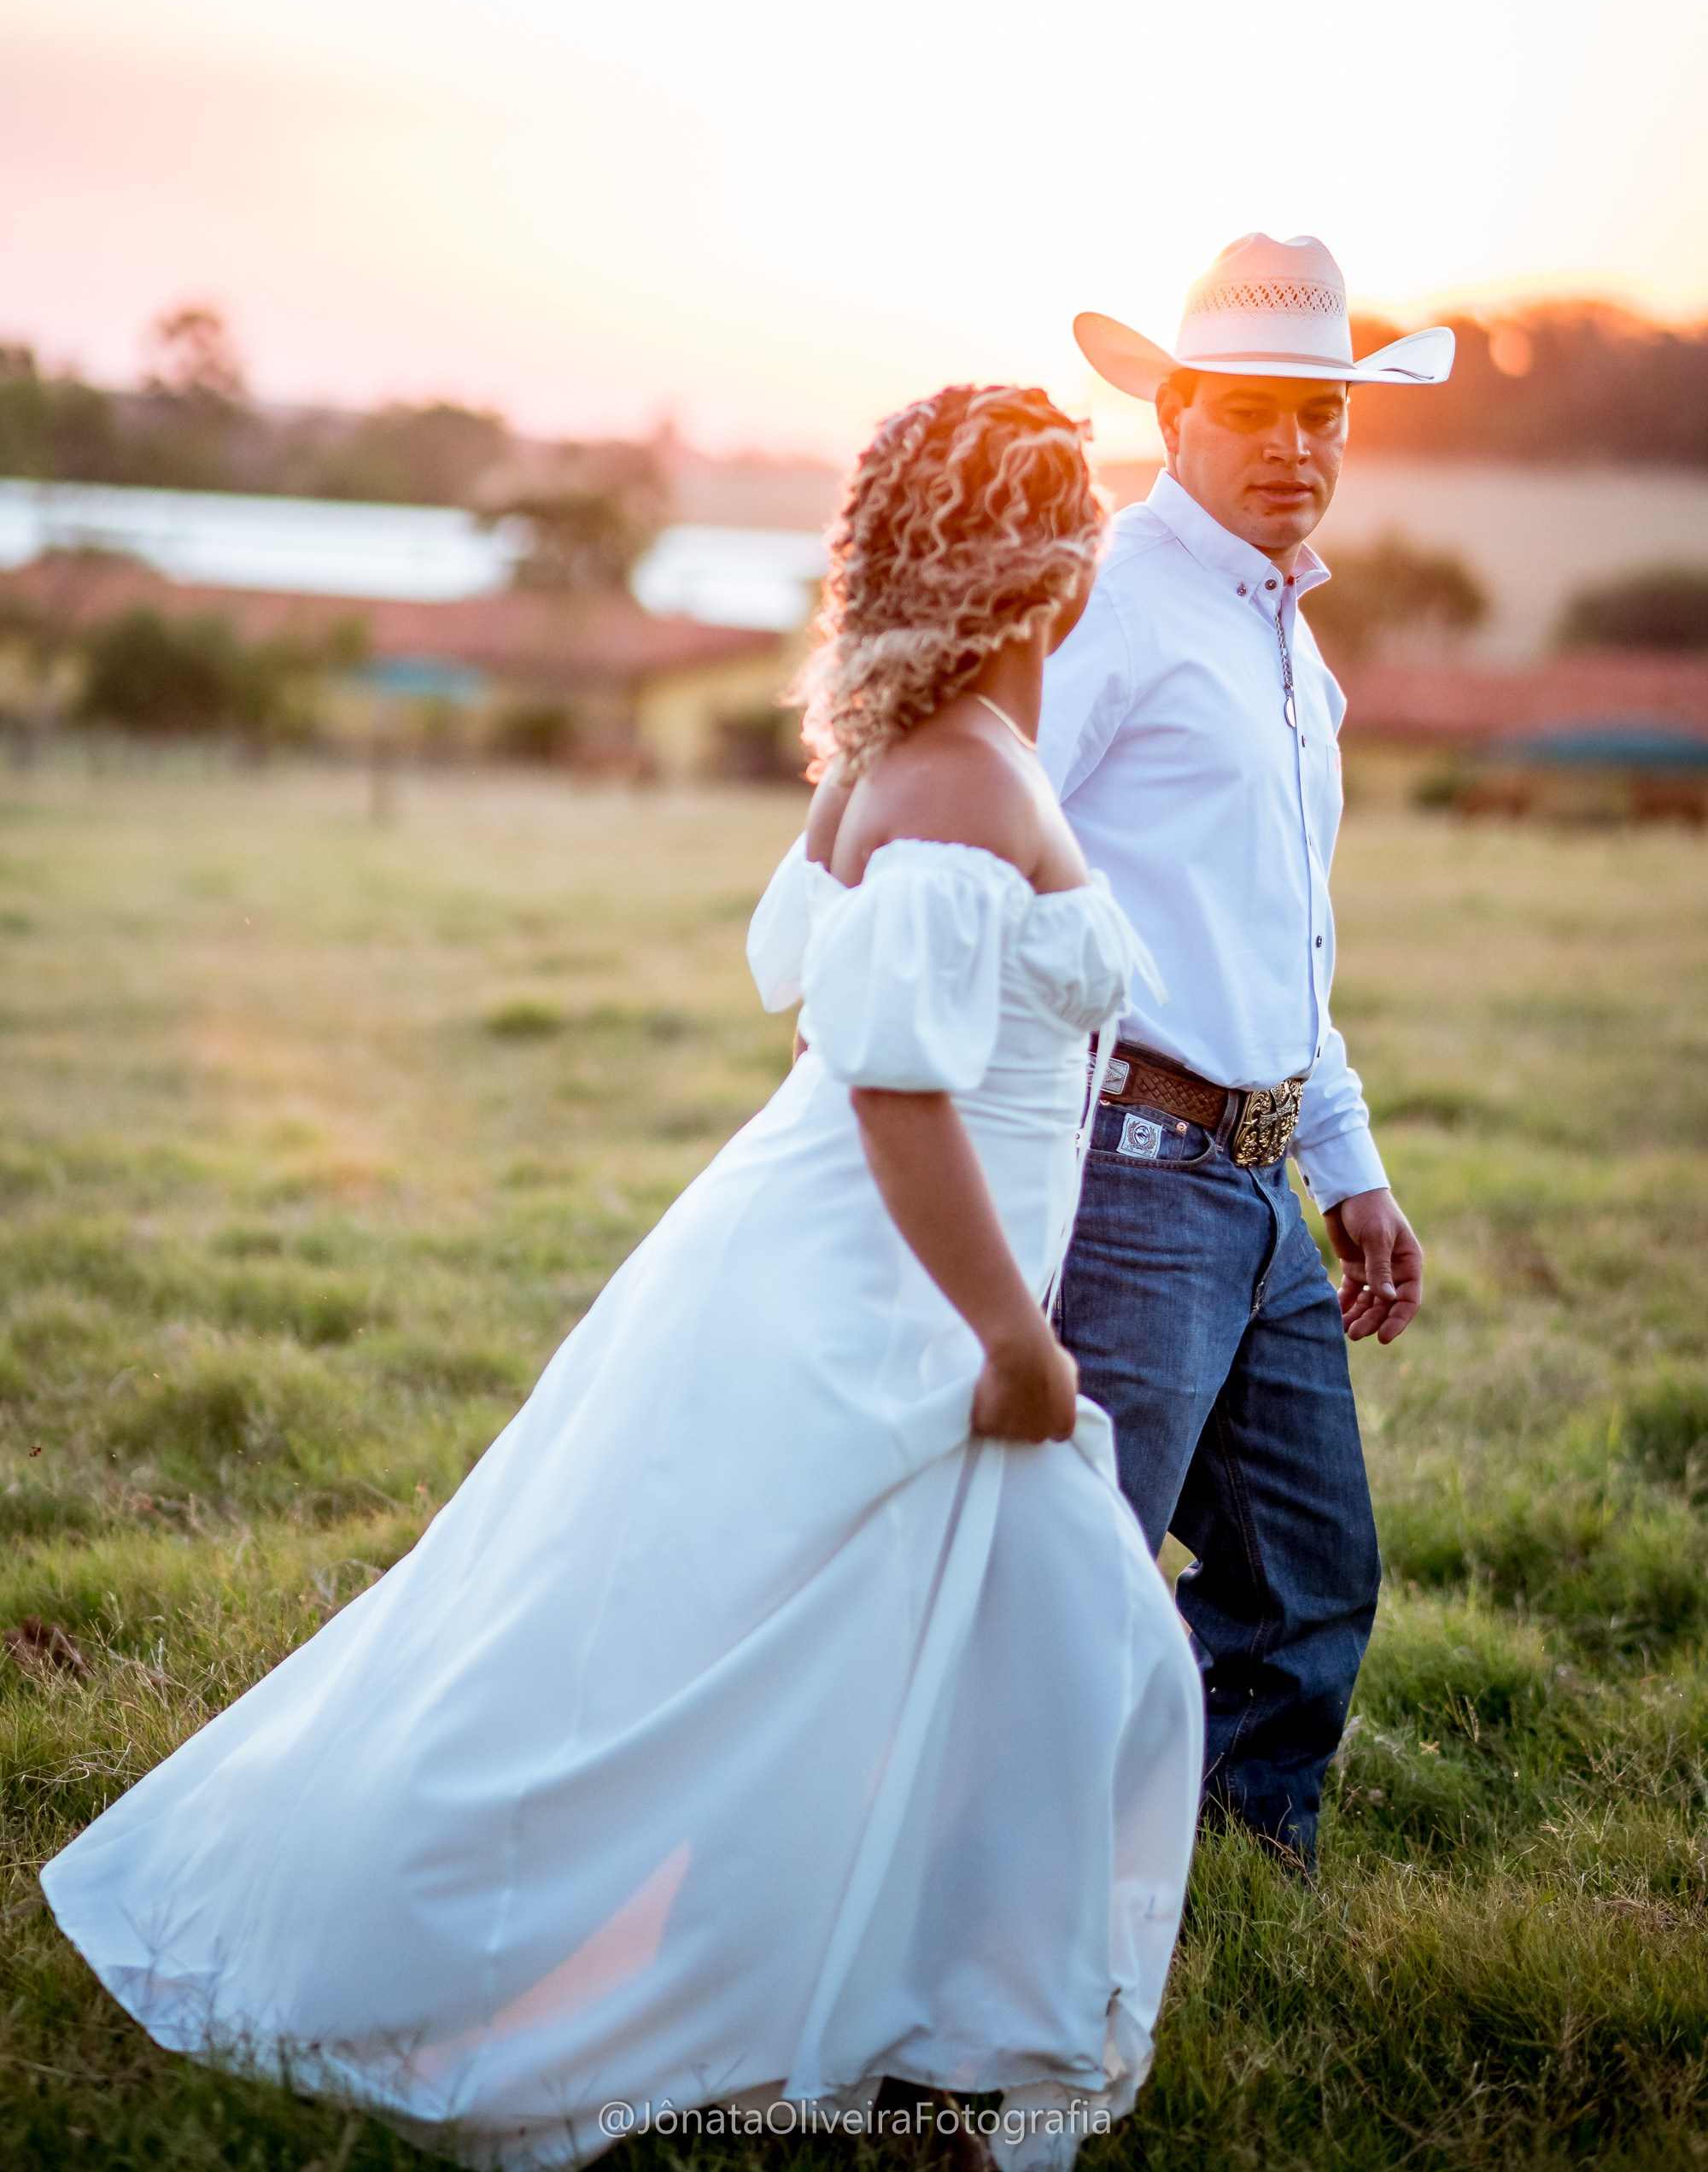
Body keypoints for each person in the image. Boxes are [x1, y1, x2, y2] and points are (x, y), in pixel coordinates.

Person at [44, 384, 1202, 2172]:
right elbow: (892, 1085)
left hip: (827, 1258)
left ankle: (884, 2034)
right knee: (1062, 1646)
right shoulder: (962, 771)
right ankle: (905, 2043)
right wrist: (1010, 1337)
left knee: (870, 1654)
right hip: (890, 1293)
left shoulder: (916, 746)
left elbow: (834, 1021)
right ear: (1055, 570)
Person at [1038, 234, 1454, 1863]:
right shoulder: (1110, 602)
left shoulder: (1287, 642)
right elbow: (978, 846)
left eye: (1324, 416)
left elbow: (1285, 939)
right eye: (1256, 411)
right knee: (1074, 1577)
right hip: (1128, 1175)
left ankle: (1227, 1886)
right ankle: (1009, 1907)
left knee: (1309, 1578)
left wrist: (1348, 1167)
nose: (1296, 448)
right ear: (1176, 417)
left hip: (1261, 1188)